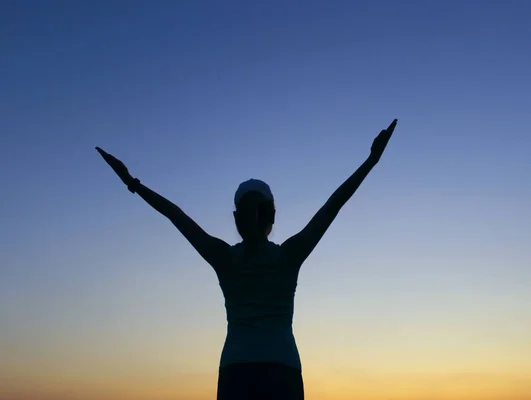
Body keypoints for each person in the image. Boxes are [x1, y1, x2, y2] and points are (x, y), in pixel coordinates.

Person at [95, 118, 398, 400]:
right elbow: (335, 203)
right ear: (273, 217)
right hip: (282, 370)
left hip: (236, 371)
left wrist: (132, 183)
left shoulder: (225, 258)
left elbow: (175, 213)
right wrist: (371, 161)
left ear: (237, 219)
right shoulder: (287, 256)